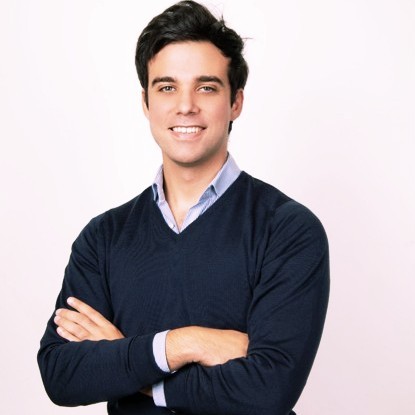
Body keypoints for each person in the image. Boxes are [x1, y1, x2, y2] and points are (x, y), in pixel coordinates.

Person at [37, 1, 330, 414]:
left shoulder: (287, 230)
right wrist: (184, 343)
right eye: (167, 87)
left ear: (236, 102)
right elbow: (62, 374)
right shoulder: (103, 237)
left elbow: (269, 391)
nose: (186, 105)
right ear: (146, 103)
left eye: (206, 87)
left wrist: (126, 360)